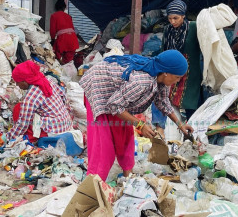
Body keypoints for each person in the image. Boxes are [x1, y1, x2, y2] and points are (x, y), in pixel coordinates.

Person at [80, 50, 195, 181]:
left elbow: (163, 103)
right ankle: (93, 186)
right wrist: (140, 124)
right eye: (177, 77)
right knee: (104, 145)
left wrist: (180, 125)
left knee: (124, 136)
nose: (178, 81)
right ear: (166, 72)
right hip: (99, 89)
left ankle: (127, 178)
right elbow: (114, 106)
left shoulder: (161, 79)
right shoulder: (141, 82)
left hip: (118, 99)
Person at [8, 61, 82, 155]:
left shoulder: (31, 97)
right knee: (27, 111)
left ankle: (32, 139)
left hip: (54, 129)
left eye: (18, 83)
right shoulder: (48, 80)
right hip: (65, 122)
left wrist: (8, 137)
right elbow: (63, 96)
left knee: (19, 109)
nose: (17, 86)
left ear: (24, 81)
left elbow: (22, 124)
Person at [152, 0, 203, 134]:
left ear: (183, 16)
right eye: (170, 18)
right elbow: (164, 50)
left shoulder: (194, 27)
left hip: (191, 73)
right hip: (172, 72)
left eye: (176, 18)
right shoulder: (168, 30)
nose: (172, 22)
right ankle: (161, 130)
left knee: (191, 103)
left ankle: (194, 133)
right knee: (163, 99)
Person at [50, 0, 85, 65]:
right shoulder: (69, 16)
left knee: (56, 54)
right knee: (68, 60)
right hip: (72, 39)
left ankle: (61, 67)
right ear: (64, 7)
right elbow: (72, 29)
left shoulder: (54, 16)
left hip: (63, 39)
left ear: (56, 7)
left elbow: (52, 31)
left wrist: (52, 40)